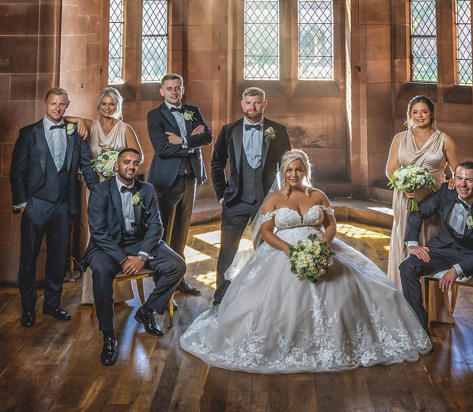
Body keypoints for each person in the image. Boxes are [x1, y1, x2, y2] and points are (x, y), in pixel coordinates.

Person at [180, 150, 432, 373]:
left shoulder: (318, 195)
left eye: (298, 169)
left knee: (363, 291)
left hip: (321, 246)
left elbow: (331, 224)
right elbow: (266, 232)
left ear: (306, 171)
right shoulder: (275, 199)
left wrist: (324, 244)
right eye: (289, 169)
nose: (294, 173)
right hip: (284, 251)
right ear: (283, 172)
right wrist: (288, 249)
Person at [82, 148, 186, 366]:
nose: (131, 166)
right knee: (100, 271)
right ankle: (109, 335)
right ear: (116, 166)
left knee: (176, 264)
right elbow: (99, 233)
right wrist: (122, 259)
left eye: (135, 163)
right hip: (107, 246)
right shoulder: (100, 191)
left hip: (139, 243)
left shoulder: (146, 189)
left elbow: (156, 226)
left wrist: (142, 255)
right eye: (126, 162)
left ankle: (147, 311)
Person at [399, 161, 473, 364]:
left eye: (469, 180)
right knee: (407, 267)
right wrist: (413, 244)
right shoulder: (446, 193)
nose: (463, 185)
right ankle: (421, 329)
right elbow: (418, 212)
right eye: (459, 178)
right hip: (443, 250)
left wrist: (456, 270)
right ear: (453, 179)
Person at [9, 86, 97, 327]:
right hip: (35, 205)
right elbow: (16, 171)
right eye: (53, 104)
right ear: (45, 105)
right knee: (28, 259)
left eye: (62, 104)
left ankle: (52, 304)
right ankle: (28, 309)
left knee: (58, 259)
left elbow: (87, 165)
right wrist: (23, 204)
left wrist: (98, 191)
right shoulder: (29, 133)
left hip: (63, 206)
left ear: (67, 106)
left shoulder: (74, 133)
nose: (57, 108)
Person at [210, 86, 291, 304]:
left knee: (266, 251)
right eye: (248, 102)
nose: (252, 107)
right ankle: (221, 298)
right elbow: (217, 164)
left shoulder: (278, 130)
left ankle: (265, 297)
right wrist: (221, 194)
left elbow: (288, 167)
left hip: (265, 203)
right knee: (227, 251)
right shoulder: (229, 130)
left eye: (256, 102)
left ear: (264, 104)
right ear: (242, 104)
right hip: (234, 201)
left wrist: (283, 198)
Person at [67, 87, 143, 304]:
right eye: (104, 104)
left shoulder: (124, 128)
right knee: (96, 235)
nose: (107, 108)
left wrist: (120, 166)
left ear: (118, 107)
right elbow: (63, 117)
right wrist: (80, 121)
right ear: (98, 105)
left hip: (119, 188)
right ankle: (92, 294)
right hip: (96, 188)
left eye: (112, 104)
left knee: (118, 235)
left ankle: (119, 294)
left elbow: (139, 157)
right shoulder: (91, 125)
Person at [385, 95, 460, 292]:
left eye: (424, 111)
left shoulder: (445, 140)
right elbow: (390, 170)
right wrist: (403, 186)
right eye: (415, 112)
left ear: (432, 114)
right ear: (410, 115)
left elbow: (459, 172)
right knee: (405, 241)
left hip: (433, 199)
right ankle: (402, 295)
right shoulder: (400, 138)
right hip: (405, 197)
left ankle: (431, 303)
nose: (420, 116)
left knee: (428, 244)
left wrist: (453, 179)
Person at [147, 73, 212, 296]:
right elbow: (161, 148)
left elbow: (208, 137)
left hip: (190, 178)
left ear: (182, 90)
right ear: (162, 91)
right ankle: (162, 290)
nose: (174, 91)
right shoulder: (154, 115)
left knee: (182, 234)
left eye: (178, 87)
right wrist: (191, 144)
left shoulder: (192, 110)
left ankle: (179, 281)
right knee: (163, 235)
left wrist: (182, 140)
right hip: (166, 181)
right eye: (170, 88)